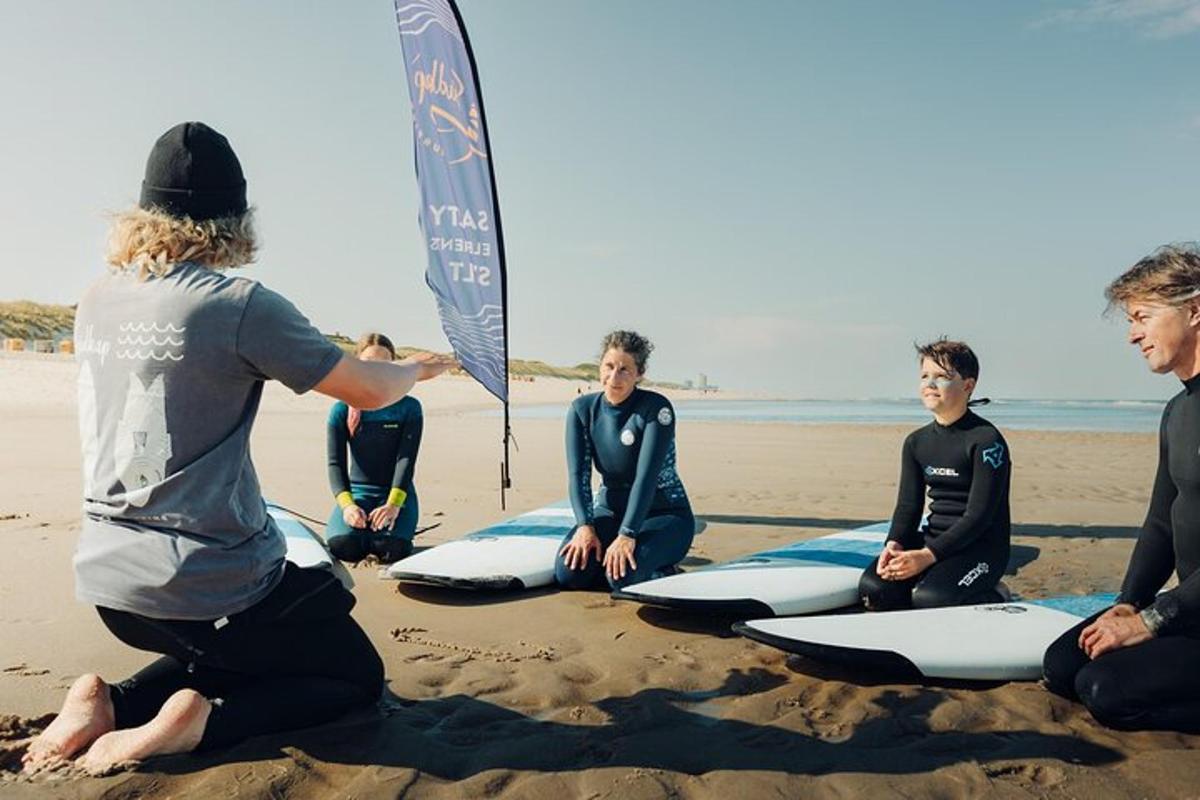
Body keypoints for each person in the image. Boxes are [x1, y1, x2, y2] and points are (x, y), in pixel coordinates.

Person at [22, 122, 455, 774]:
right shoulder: (238, 305)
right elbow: (366, 389)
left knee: (232, 648)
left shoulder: (97, 300)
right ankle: (200, 724)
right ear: (236, 215)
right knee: (354, 676)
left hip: (110, 583)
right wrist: (418, 371)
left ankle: (108, 699)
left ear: (143, 209)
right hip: (207, 583)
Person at [1043, 243, 1200, 732]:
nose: (1134, 335)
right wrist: (1128, 603)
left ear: (1194, 310)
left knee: (1106, 692)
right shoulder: (1178, 411)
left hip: (1185, 610)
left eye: (1142, 317)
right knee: (1064, 666)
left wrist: (1150, 623)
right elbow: (1160, 521)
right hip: (1192, 609)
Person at [858, 339, 1011, 611]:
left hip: (981, 550)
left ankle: (996, 592)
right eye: (925, 376)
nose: (930, 384)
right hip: (933, 541)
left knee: (931, 600)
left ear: (968, 385)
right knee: (875, 589)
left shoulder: (987, 441)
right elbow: (908, 507)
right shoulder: (916, 442)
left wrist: (927, 557)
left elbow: (979, 517)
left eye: (942, 376)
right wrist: (894, 544)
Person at [555, 330, 694, 591]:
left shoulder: (656, 409)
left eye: (624, 370)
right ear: (600, 367)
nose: (614, 377)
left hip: (664, 514)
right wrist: (586, 527)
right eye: (609, 366)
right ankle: (624, 560)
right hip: (610, 511)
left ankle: (666, 569)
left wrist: (627, 534)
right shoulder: (582, 410)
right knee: (569, 574)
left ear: (639, 374)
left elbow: (647, 477)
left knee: (621, 579)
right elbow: (578, 476)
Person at [325, 333, 423, 564]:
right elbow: (335, 463)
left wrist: (393, 505)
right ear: (357, 364)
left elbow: (406, 460)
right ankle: (361, 530)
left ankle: (385, 530)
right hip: (357, 492)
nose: (377, 371)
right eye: (369, 364)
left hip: (396, 494)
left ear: (394, 368)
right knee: (344, 546)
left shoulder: (409, 408)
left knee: (391, 549)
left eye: (384, 365)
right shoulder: (341, 409)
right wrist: (348, 507)